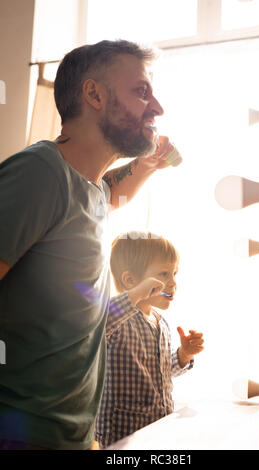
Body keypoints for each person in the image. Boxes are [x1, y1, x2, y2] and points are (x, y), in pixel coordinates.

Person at [0, 40, 176, 450]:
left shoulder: (92, 189)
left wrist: (146, 164)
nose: (157, 107)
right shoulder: (40, 174)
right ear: (94, 94)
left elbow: (118, 193)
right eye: (142, 91)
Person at [94, 232, 204, 448]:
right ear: (130, 281)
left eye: (174, 273)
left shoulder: (160, 323)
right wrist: (135, 295)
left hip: (157, 434)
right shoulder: (117, 321)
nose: (173, 282)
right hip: (121, 439)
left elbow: (161, 372)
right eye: (164, 274)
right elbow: (98, 321)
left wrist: (184, 355)